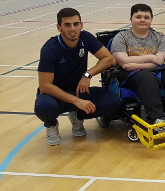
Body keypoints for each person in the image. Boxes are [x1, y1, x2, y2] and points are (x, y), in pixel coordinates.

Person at [35, 8, 121, 146]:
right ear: (59, 27)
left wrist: (87, 74)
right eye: (67, 25)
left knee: (113, 102)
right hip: (55, 94)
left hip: (78, 90)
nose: (72, 29)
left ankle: (77, 117)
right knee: (44, 108)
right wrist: (76, 101)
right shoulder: (50, 49)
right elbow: (45, 86)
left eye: (76, 24)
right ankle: (51, 125)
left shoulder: (85, 37)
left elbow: (109, 59)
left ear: (81, 25)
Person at [110, 4, 165, 125]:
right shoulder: (121, 37)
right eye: (138, 17)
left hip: (146, 69)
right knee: (146, 77)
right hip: (129, 75)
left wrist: (135, 64)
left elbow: (160, 61)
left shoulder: (159, 36)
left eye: (146, 17)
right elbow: (123, 61)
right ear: (131, 19)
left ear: (151, 20)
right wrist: (151, 57)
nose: (142, 20)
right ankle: (158, 117)